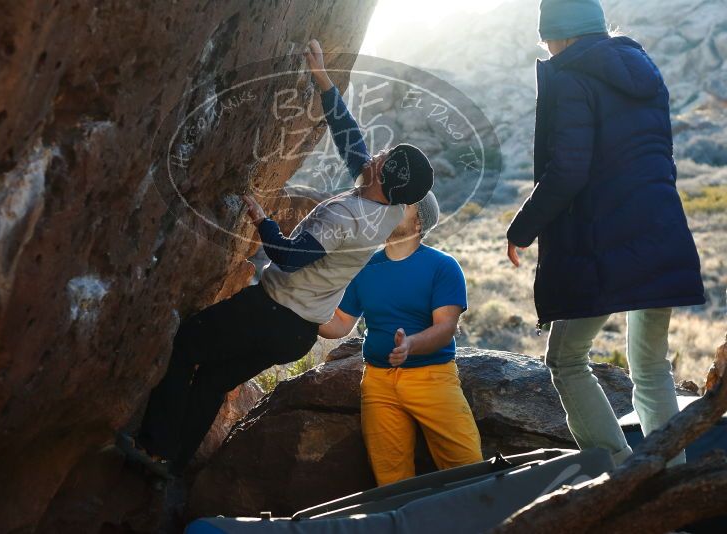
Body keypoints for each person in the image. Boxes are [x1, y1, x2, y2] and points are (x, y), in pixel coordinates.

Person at [120, 39, 434, 477]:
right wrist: (323, 81)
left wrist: (262, 221)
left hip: (271, 313)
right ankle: (171, 467)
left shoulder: (347, 217)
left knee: (187, 343)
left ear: (383, 173)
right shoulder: (390, 208)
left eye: (384, 157)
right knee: (212, 379)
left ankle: (151, 446)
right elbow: (352, 144)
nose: (376, 154)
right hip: (296, 333)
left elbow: (289, 258)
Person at [506, 0, 705, 466]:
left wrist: (524, 227)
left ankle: (617, 474)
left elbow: (568, 170)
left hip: (601, 242)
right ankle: (669, 482)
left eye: (547, 42)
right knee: (651, 367)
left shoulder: (571, 76)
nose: (548, 51)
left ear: (560, 35)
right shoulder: (644, 69)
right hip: (661, 233)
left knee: (566, 361)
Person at [320, 191, 482, 486]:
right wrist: (302, 315)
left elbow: (445, 327)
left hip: (432, 378)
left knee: (468, 471)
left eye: (402, 205)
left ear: (419, 222)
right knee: (391, 482)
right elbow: (340, 323)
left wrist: (410, 345)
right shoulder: (364, 267)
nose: (390, 208)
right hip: (378, 383)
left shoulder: (443, 266)